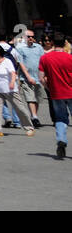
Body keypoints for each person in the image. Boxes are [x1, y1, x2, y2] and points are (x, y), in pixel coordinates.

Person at [38, 31, 72, 160]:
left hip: (56, 93)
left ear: (52, 43)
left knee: (60, 119)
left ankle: (61, 140)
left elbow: (41, 78)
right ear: (65, 43)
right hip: (70, 91)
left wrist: (49, 88)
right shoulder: (70, 58)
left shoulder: (45, 58)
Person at [0, 44, 35, 136]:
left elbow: (13, 73)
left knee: (19, 108)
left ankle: (29, 127)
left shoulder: (7, 61)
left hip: (10, 90)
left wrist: (12, 83)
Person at [13, 31, 46, 127]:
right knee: (30, 98)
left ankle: (34, 116)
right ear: (24, 37)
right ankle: (35, 117)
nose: (31, 38)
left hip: (38, 77)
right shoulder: (20, 48)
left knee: (37, 98)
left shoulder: (39, 47)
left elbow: (43, 60)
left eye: (32, 36)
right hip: (26, 78)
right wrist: (27, 76)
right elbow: (21, 63)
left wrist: (44, 75)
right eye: (29, 36)